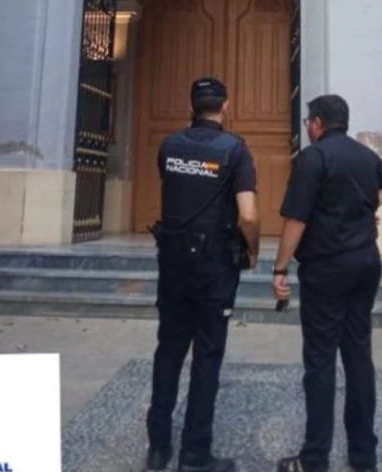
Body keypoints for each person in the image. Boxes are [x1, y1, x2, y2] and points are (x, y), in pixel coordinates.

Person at [271, 94, 382, 472]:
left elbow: (296, 219)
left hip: (327, 268)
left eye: (308, 122)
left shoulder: (313, 158)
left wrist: (279, 269)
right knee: (358, 356)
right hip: (365, 262)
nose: (308, 128)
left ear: (318, 124)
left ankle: (314, 458)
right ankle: (363, 455)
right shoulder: (364, 154)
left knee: (320, 362)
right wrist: (367, 209)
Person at [144, 77, 260, 472]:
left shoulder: (169, 146)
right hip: (214, 265)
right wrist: (253, 250)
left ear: (191, 105)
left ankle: (158, 449)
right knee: (207, 356)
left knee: (169, 350)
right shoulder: (236, 150)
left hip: (173, 262)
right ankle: (195, 453)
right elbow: (248, 215)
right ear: (225, 106)